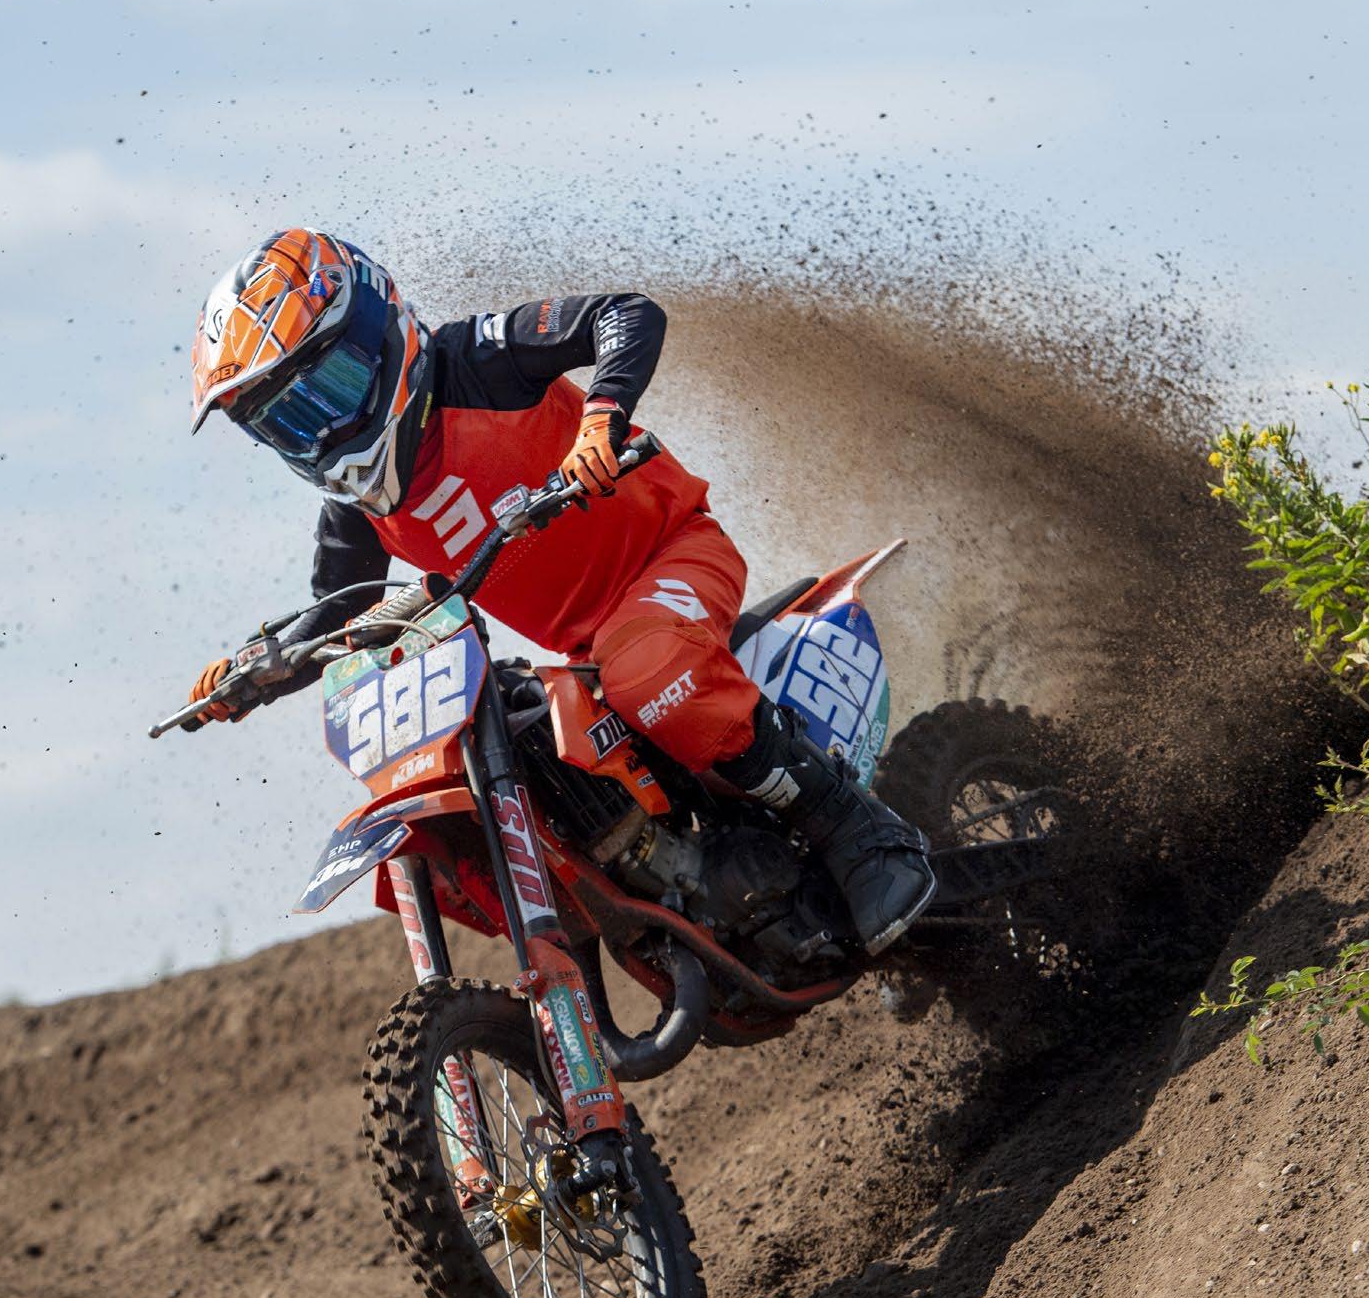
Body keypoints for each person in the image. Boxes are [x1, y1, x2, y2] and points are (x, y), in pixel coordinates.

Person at [182, 229, 933, 953]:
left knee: (648, 670)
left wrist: (600, 420)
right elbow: (338, 619)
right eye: (289, 423)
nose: (320, 430)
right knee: (528, 744)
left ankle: (858, 828)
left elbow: (626, 313)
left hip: (672, 554)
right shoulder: (358, 510)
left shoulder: (473, 361)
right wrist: (257, 670)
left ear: (375, 335)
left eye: (327, 390)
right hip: (592, 653)